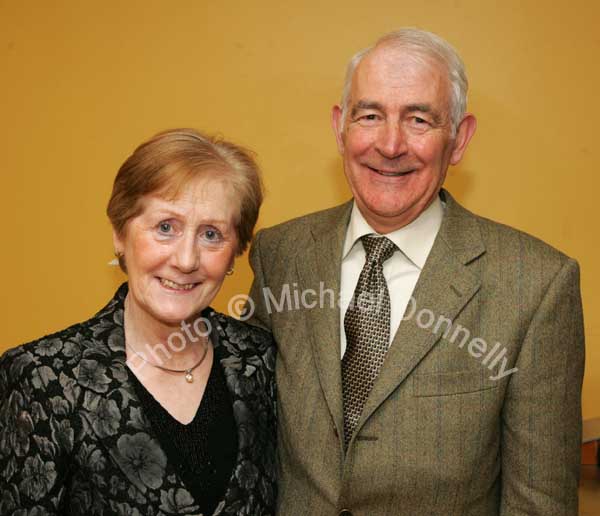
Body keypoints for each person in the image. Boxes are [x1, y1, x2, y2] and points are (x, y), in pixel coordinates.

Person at [247, 28, 584, 515]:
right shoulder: (279, 255)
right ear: (340, 128)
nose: (390, 144)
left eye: (419, 119)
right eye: (370, 115)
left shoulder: (536, 285)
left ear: (460, 139)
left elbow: (540, 502)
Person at [0, 129, 277, 515]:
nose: (185, 259)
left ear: (234, 256)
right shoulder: (43, 377)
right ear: (119, 234)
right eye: (166, 227)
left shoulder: (261, 358)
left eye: (211, 234)